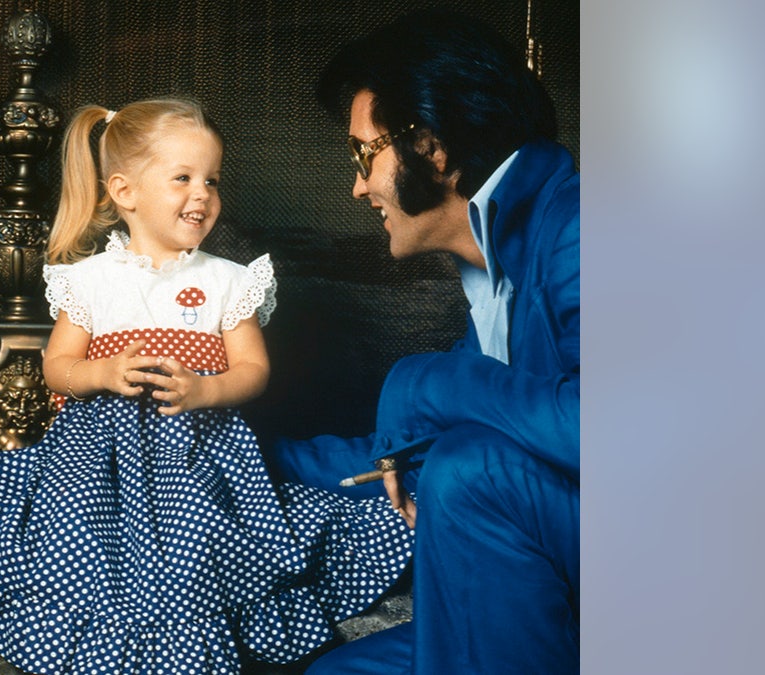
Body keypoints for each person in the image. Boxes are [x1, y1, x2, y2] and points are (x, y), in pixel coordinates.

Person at [0, 98, 413, 675]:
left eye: (213, 179)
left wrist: (204, 391)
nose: (203, 193)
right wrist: (101, 373)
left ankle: (189, 624)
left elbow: (253, 371)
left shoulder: (228, 281)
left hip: (197, 451)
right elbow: (57, 366)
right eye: (183, 178)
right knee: (70, 528)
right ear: (125, 192)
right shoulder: (90, 282)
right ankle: (94, 625)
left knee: (202, 542)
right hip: (96, 455)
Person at [268, 10, 579, 674]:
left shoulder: (582, 222)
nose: (357, 186)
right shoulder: (492, 271)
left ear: (431, 147)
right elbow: (402, 454)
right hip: (548, 569)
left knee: (469, 465)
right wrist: (244, 456)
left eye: (363, 153)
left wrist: (426, 381)